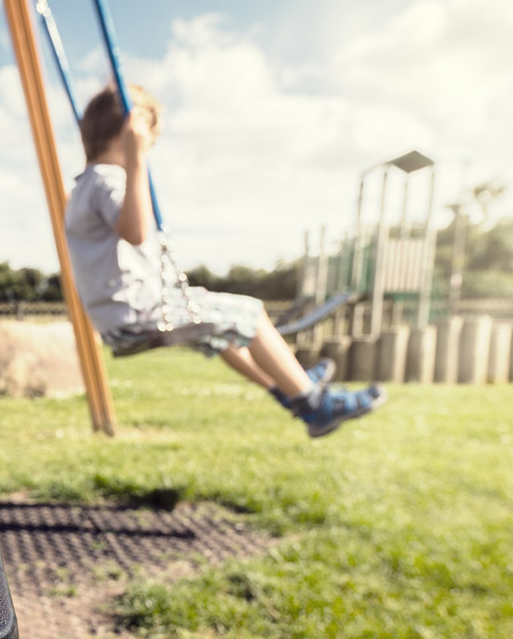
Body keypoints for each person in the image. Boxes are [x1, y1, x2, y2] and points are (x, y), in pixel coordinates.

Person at [63, 85, 385, 438]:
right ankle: (314, 403)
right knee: (252, 314)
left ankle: (287, 390)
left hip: (120, 318)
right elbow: (136, 232)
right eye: (149, 142)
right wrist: (136, 159)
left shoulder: (82, 187)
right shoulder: (108, 180)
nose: (148, 151)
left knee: (227, 337)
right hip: (139, 313)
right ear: (128, 136)